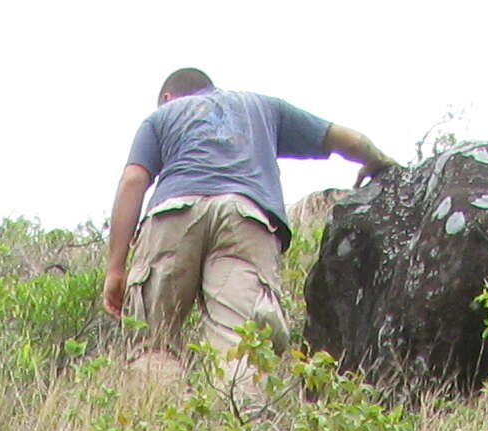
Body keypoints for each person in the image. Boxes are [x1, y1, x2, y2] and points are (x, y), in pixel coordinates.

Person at [102, 69, 397, 391]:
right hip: (246, 218)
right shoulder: (263, 108)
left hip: (174, 214)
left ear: (168, 98)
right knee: (242, 347)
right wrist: (379, 161)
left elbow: (133, 181)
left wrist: (115, 268)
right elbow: (349, 140)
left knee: (153, 346)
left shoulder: (161, 117)